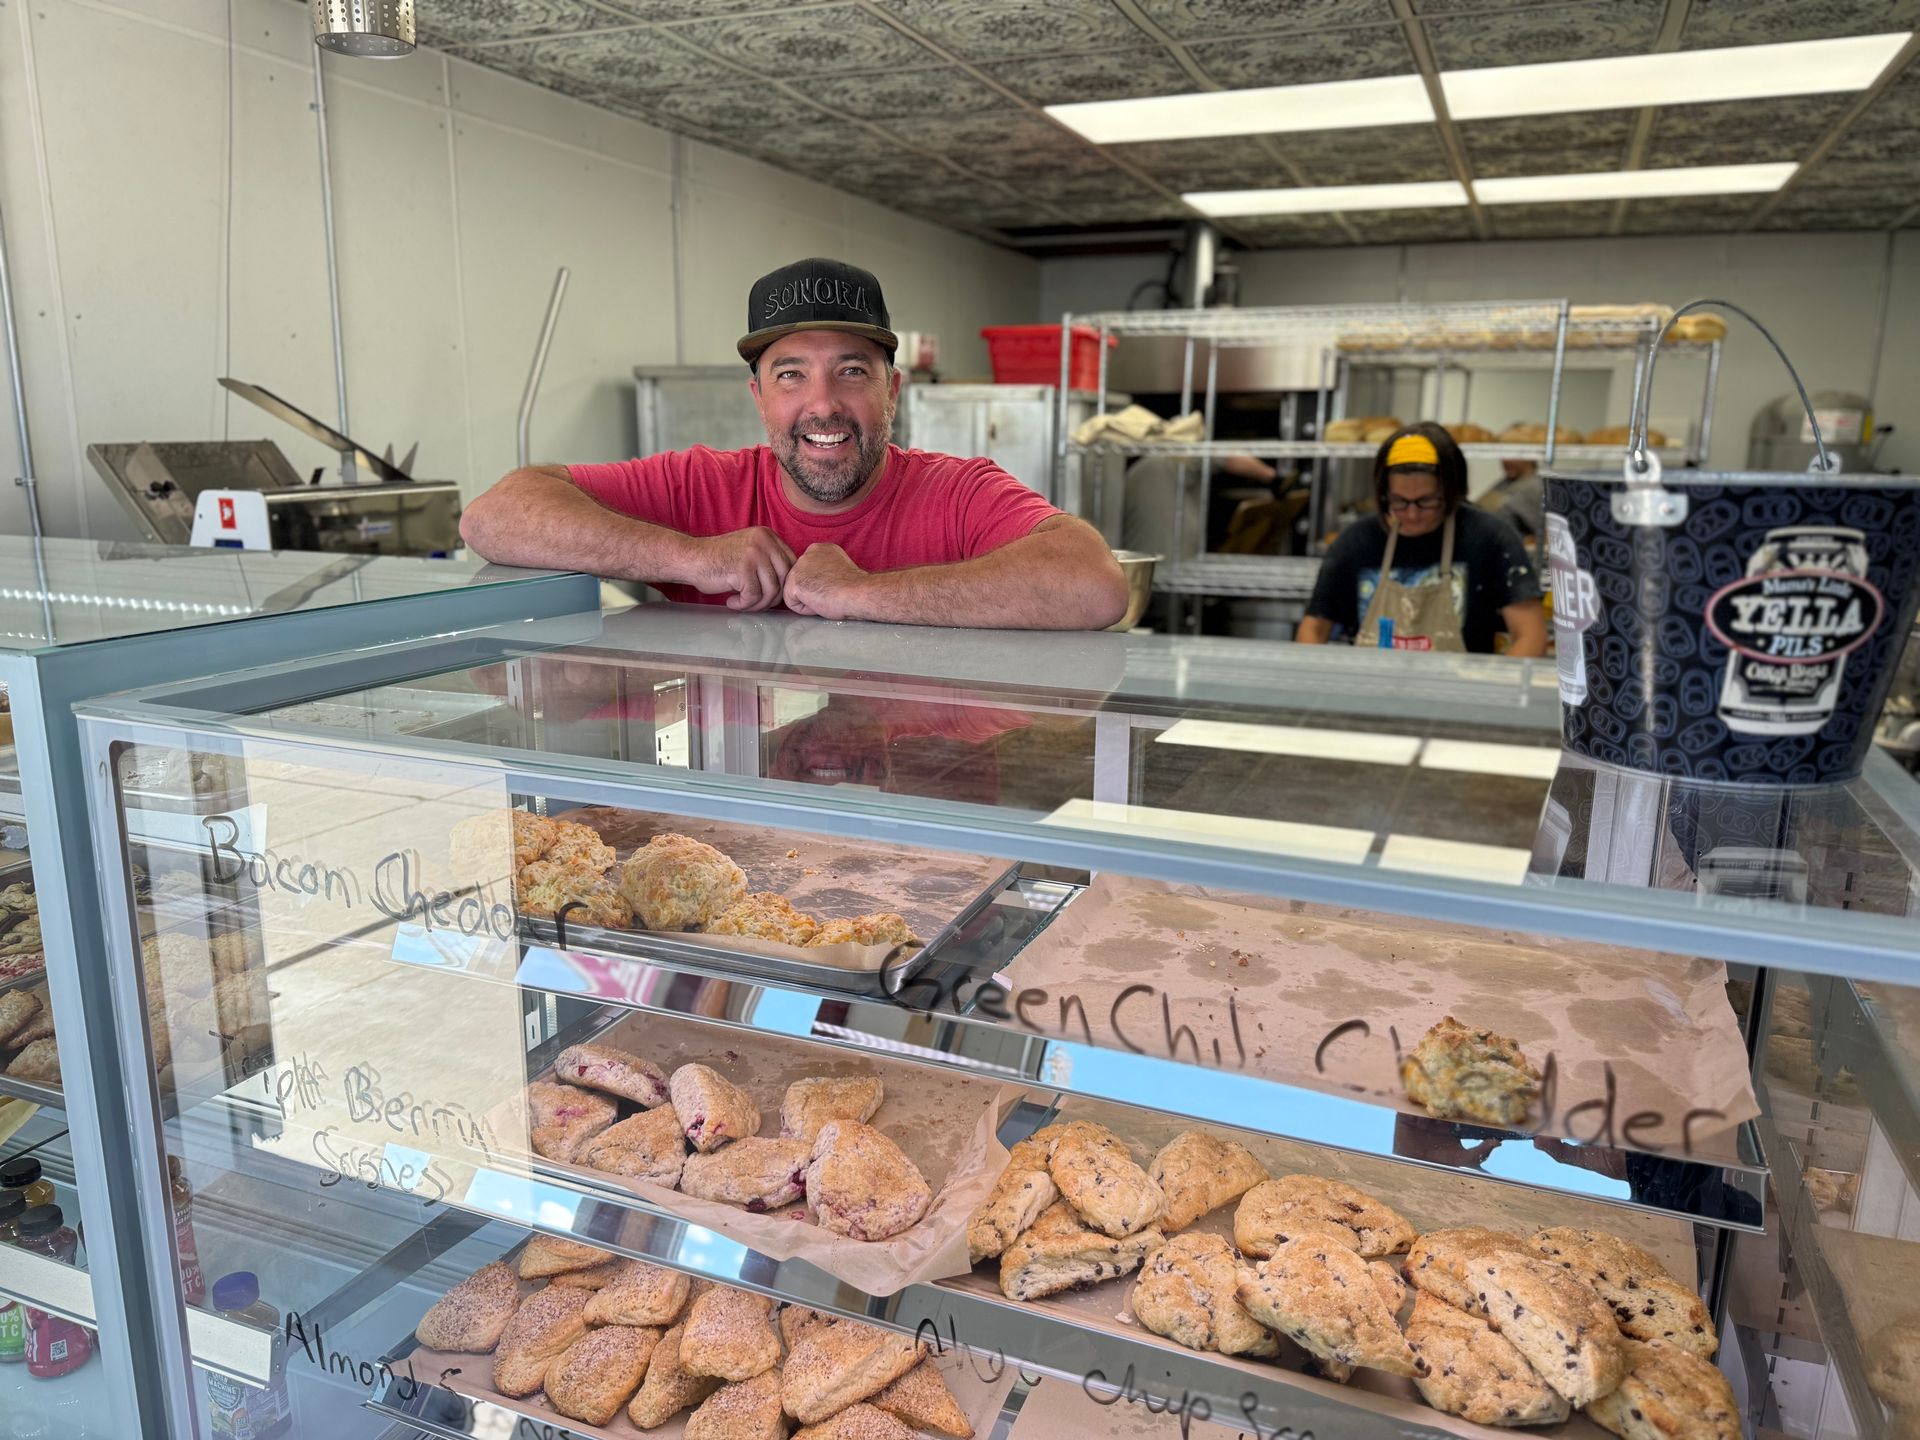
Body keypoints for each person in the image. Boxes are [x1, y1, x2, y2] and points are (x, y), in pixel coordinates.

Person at [460, 257, 1127, 630]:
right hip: (744, 840)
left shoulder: (956, 492)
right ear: (758, 397)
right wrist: (691, 557)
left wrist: (859, 594)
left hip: (925, 843)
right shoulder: (701, 487)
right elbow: (494, 515)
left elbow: (1092, 582)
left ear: (892, 391)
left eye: (852, 371)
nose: (823, 404)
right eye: (791, 375)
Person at [1295, 423, 1547, 656]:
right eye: (1399, 501)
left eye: (1427, 501)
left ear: (1452, 491)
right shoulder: (1356, 542)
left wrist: (1495, 697)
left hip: (1460, 696)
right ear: (1383, 494)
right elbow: (1314, 630)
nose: (1412, 514)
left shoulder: (1489, 538)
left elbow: (1531, 635)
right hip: (1372, 695)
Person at [1479, 454, 1545, 543]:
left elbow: (1542, 533)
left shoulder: (1536, 486)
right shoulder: (1504, 483)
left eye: (1511, 456)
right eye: (1503, 455)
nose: (1505, 461)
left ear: (1529, 457)